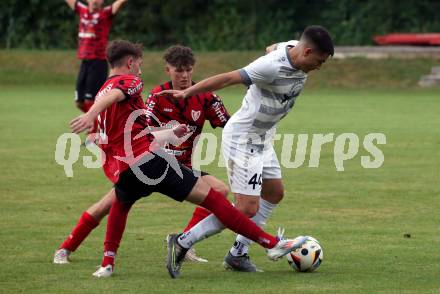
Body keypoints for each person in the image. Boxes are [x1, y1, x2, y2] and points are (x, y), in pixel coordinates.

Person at [68, 39, 306, 278]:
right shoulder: (133, 83)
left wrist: (167, 133)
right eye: (139, 64)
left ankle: (105, 263)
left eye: (187, 70)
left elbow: (127, 126)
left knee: (120, 204)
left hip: (126, 167)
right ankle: (269, 243)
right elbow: (122, 99)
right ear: (131, 63)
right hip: (155, 163)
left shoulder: (102, 89)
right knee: (216, 200)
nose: (140, 70)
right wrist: (90, 115)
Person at [155, 25, 334, 272]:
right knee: (246, 208)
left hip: (262, 137)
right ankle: (183, 241)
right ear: (307, 51)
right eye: (319, 61)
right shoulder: (270, 66)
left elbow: (273, 47)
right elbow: (228, 78)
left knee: (274, 193)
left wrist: (272, 51)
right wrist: (188, 92)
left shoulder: (291, 47)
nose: (319, 67)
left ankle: (238, 254)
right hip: (243, 138)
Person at [53, 45, 230, 264]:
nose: (184, 76)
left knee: (220, 189)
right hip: (147, 163)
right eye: (178, 71)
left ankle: (184, 242)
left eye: (188, 70)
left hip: (179, 166)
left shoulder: (206, 97)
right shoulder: (156, 95)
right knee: (105, 207)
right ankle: (65, 248)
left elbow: (231, 125)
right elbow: (142, 127)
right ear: (168, 70)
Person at [64, 0, 128, 112]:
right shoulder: (82, 10)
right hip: (85, 62)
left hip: (98, 62)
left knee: (91, 100)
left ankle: (94, 126)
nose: (95, 1)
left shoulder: (106, 13)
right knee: (79, 102)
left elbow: (119, 3)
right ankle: (97, 121)